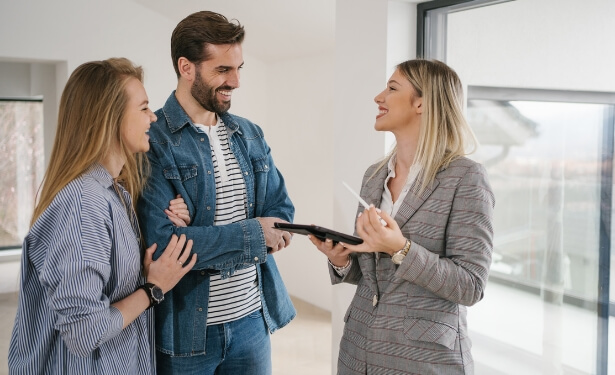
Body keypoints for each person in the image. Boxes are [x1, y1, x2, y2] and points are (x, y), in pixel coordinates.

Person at [8, 58, 197, 374]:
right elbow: (85, 331)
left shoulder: (115, 192)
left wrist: (142, 271)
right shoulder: (83, 205)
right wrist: (152, 289)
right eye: (143, 108)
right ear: (111, 118)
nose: (153, 117)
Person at [308, 59, 495, 374]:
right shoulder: (374, 175)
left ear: (422, 102)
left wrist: (401, 249)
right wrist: (342, 260)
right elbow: (372, 276)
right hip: (358, 352)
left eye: (392, 88)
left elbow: (470, 286)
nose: (378, 97)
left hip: (423, 360)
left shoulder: (467, 178)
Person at [136, 11, 295, 374]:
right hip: (187, 333)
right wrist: (255, 233)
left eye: (239, 68)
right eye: (223, 70)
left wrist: (197, 235)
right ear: (186, 67)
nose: (236, 81)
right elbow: (163, 247)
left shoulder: (249, 133)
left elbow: (282, 212)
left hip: (252, 321)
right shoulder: (154, 139)